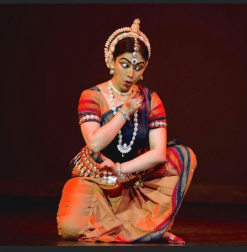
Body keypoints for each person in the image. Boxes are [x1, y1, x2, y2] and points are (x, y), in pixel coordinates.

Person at [56, 18, 197, 244]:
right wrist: (124, 112)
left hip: (132, 179)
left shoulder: (151, 100)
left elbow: (159, 153)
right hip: (93, 177)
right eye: (125, 64)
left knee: (181, 156)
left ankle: (149, 229)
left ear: (144, 68)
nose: (131, 73)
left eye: (138, 67)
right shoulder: (92, 96)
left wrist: (121, 169)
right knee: (72, 228)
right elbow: (94, 143)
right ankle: (146, 231)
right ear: (111, 61)